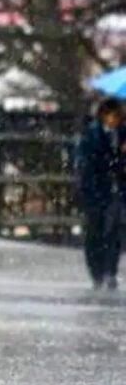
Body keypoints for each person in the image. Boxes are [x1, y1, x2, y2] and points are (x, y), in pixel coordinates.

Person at [77, 98, 126, 289]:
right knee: (95, 231)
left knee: (114, 232)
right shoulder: (92, 135)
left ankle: (110, 271)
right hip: (96, 189)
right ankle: (97, 272)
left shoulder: (122, 134)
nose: (114, 120)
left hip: (117, 190)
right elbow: (88, 163)